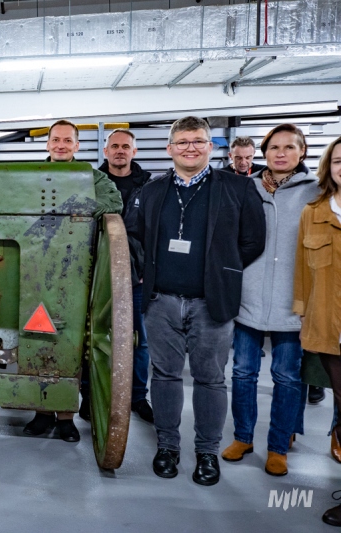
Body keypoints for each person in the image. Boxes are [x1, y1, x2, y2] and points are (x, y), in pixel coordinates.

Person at [127, 116, 265, 486]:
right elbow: (135, 234)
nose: (191, 147)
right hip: (161, 302)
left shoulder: (237, 188)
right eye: (183, 141)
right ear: (170, 148)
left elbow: (254, 240)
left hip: (212, 302)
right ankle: (168, 447)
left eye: (199, 141)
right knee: (166, 375)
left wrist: (223, 269)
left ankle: (206, 452)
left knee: (210, 379)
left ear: (211, 146)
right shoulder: (153, 191)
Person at [221, 124, 319, 476]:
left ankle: (278, 446)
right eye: (274, 147)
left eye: (289, 147)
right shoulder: (246, 188)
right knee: (242, 372)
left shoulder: (317, 191)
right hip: (248, 296)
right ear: (264, 153)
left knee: (287, 376)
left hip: (293, 302)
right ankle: (243, 436)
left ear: (302, 152)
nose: (281, 153)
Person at [22, 119, 122, 443]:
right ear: (47, 144)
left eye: (68, 140)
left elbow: (113, 204)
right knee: (36, 336)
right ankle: (41, 412)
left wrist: (76, 209)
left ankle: (66, 416)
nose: (61, 145)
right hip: (33, 267)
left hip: (75, 268)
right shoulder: (29, 177)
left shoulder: (92, 178)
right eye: (56, 140)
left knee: (71, 341)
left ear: (77, 146)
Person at [292, 135, 341, 527]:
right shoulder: (315, 211)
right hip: (329, 328)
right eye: (339, 160)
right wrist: (303, 315)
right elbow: (302, 274)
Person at [93, 128, 154, 424]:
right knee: (91, 335)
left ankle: (138, 396)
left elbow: (153, 233)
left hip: (137, 276)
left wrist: (146, 270)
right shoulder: (92, 184)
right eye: (114, 146)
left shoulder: (150, 187)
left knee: (139, 340)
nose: (119, 150)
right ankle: (91, 396)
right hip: (97, 276)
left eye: (125, 146)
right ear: (105, 152)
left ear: (134, 151)